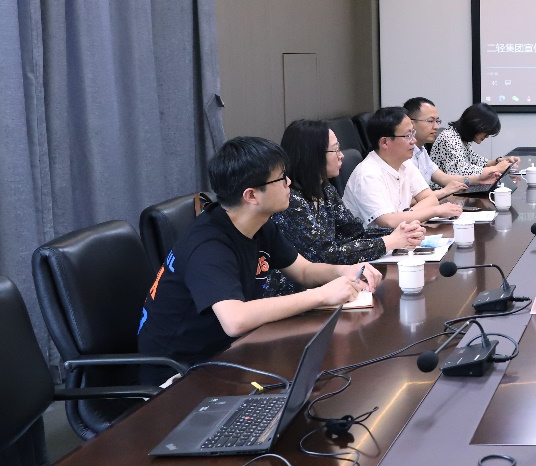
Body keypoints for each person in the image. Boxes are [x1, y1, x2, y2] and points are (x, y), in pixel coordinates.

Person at [137, 136, 381, 367]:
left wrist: (344, 271)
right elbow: (235, 320)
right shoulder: (208, 246)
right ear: (251, 195)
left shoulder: (259, 223)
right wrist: (322, 295)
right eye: (281, 178)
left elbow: (303, 271)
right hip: (179, 370)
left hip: (230, 350)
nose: (288, 183)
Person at [273, 119, 424, 264]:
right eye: (335, 149)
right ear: (313, 155)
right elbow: (326, 256)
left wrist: (402, 232)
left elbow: (354, 234)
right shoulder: (290, 201)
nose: (341, 155)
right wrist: (389, 241)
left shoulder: (325, 190)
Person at [342, 107, 463, 228]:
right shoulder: (368, 174)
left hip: (402, 235)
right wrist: (435, 211)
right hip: (376, 238)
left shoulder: (405, 163)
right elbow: (388, 222)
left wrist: (407, 215)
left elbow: (430, 198)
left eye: (413, 133)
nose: (414, 140)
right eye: (407, 136)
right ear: (384, 142)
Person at [404, 97, 502, 195]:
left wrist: (478, 179)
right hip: (435, 196)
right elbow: (409, 199)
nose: (436, 127)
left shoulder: (421, 151)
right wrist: (496, 169)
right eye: (430, 121)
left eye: (437, 121)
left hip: (435, 197)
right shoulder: (404, 154)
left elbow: (443, 178)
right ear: (411, 123)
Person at [430, 102, 520, 178]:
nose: (487, 136)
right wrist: (496, 168)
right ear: (476, 125)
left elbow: (475, 160)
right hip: (443, 191)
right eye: (487, 132)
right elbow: (459, 173)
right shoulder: (449, 138)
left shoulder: (460, 137)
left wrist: (499, 161)